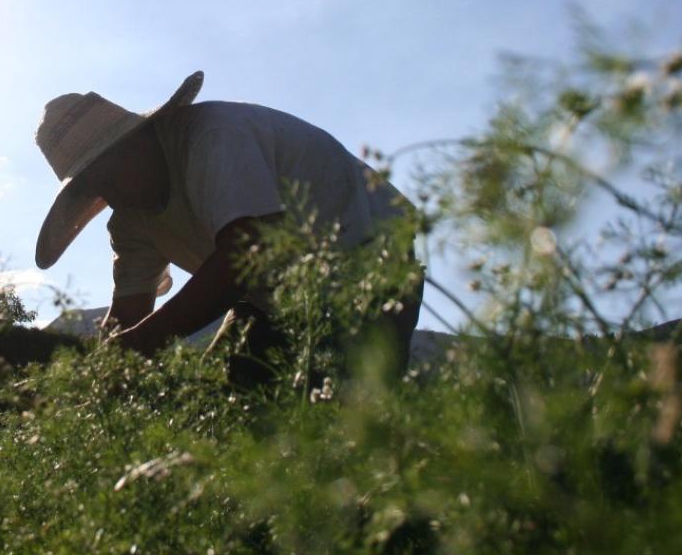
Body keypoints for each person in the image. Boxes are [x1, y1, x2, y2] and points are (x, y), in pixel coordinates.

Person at [34, 71, 423, 377]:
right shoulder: (131, 223)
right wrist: (92, 371)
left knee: (351, 418)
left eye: (109, 172)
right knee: (235, 402)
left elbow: (244, 254)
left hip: (368, 270)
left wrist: (140, 345)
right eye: (93, 185)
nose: (110, 192)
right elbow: (127, 318)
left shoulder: (213, 137)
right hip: (274, 296)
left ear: (135, 142)